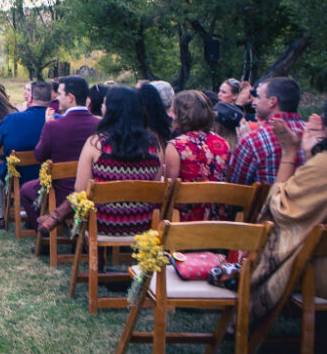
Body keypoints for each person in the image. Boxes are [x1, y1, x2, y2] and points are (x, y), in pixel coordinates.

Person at [250, 86, 327, 322]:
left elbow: (280, 210)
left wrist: (290, 153)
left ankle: (242, 317)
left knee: (284, 242)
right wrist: (312, 155)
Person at [40, 87, 162, 236]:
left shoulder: (96, 143)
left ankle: (54, 217)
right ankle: (54, 217)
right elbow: (155, 189)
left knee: (79, 195)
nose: (102, 107)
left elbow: (80, 189)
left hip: (101, 224)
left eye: (104, 103)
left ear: (111, 109)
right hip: (142, 223)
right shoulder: (155, 146)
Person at [19, 76, 99, 230]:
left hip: (60, 192)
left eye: (60, 94)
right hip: (92, 191)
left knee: (26, 190)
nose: (56, 98)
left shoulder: (54, 126)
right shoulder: (99, 124)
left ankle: (44, 237)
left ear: (70, 98)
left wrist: (47, 126)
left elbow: (39, 156)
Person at [0, 81, 50, 229]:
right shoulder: (56, 119)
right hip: (49, 175)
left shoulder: (13, 119)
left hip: (19, 174)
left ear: (30, 99)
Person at [163, 90, 231, 220]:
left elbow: (169, 190)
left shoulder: (176, 146)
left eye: (174, 111)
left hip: (186, 219)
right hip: (218, 219)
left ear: (181, 115)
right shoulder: (222, 143)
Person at [228, 77, 306, 185]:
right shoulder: (313, 135)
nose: (254, 102)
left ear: (272, 102)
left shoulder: (252, 141)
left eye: (258, 97)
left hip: (268, 201)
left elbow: (234, 190)